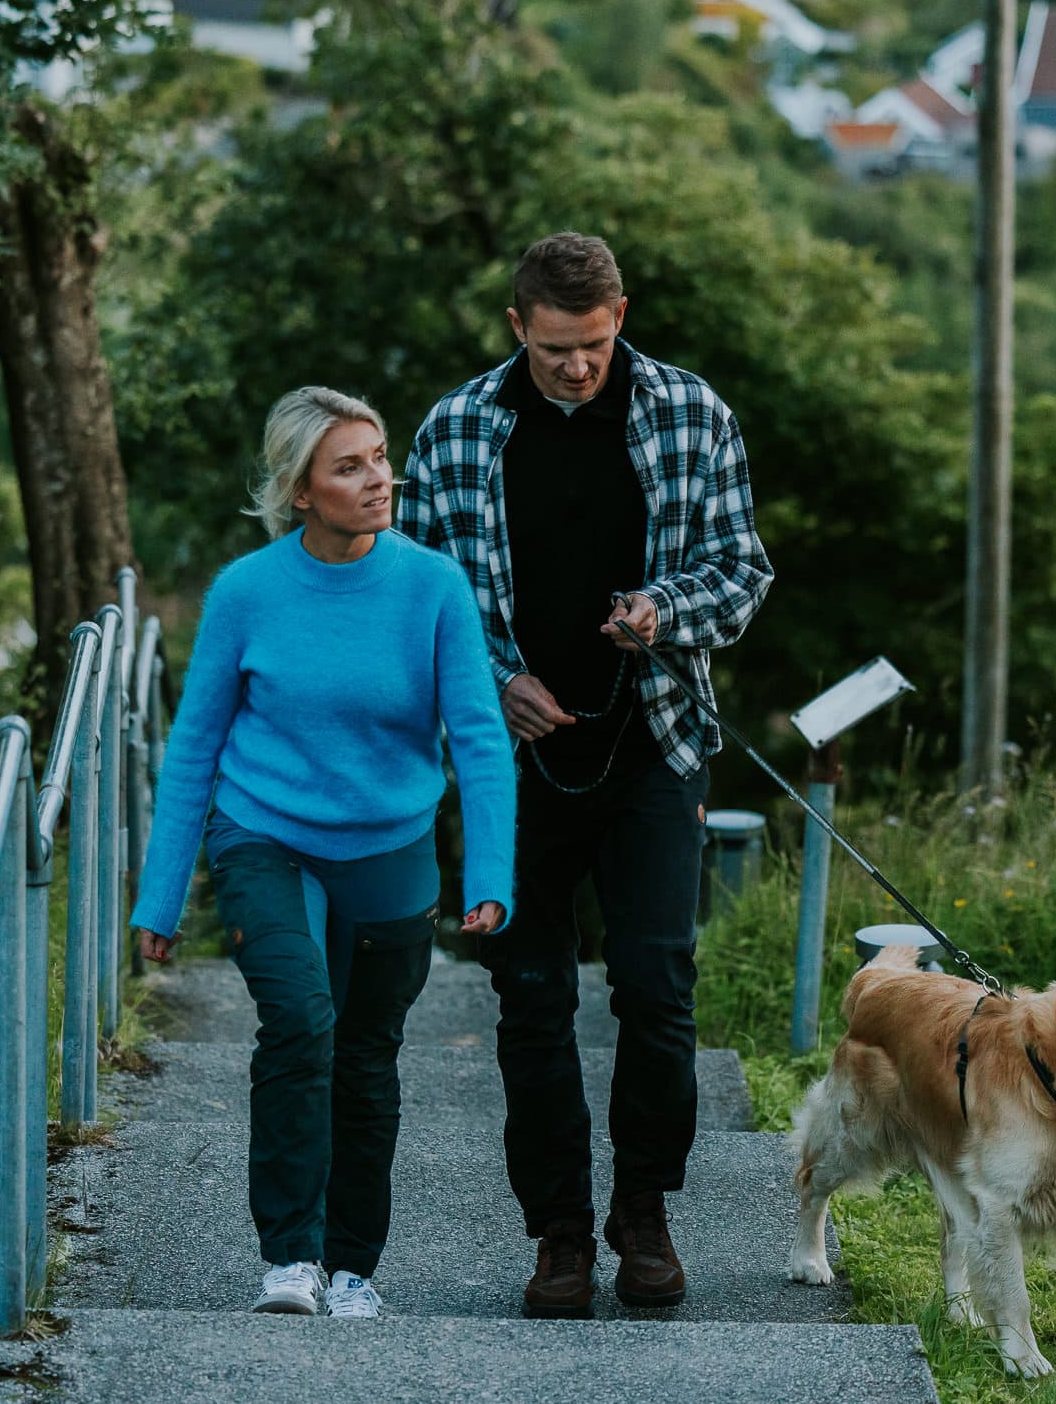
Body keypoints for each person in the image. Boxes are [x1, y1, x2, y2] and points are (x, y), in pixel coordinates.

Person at [399, 232, 773, 1317]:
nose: (578, 366)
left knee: (658, 989)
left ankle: (644, 1214)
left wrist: (664, 611)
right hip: (511, 760)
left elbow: (742, 570)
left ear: (622, 313)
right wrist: (495, 678)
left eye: (597, 343)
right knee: (531, 999)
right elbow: (417, 598)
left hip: (652, 741)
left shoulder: (691, 411)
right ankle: (557, 1234)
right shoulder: (457, 426)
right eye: (558, 347)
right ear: (518, 326)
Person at [130, 386, 515, 1320]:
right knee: (301, 1019)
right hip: (266, 834)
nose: (379, 477)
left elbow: (478, 736)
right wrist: (160, 896)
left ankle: (352, 1267)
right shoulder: (247, 592)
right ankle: (289, 1259)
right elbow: (193, 748)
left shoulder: (432, 587)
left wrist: (490, 874)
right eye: (350, 465)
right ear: (299, 489)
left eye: (380, 456)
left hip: (390, 846)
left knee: (368, 1054)